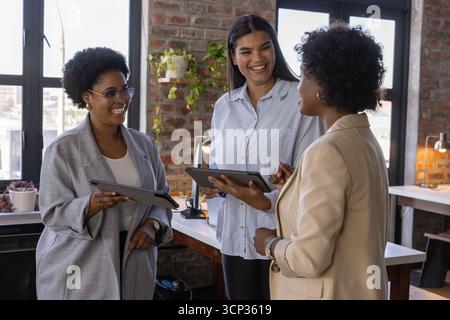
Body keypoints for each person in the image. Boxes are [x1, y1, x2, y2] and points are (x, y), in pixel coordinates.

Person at [254, 25, 390, 299]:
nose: (299, 86)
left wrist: (269, 243)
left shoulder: (326, 151)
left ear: (324, 87)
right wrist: (294, 187)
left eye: (304, 76)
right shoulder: (366, 141)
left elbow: (309, 259)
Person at [36, 47, 172, 299]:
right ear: (87, 97)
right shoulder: (62, 149)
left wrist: (153, 226)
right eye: (110, 93)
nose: (122, 99)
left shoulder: (144, 146)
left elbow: (162, 197)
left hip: (134, 259)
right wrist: (90, 205)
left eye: (125, 89)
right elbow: (52, 213)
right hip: (80, 264)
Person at [205, 14, 322, 300]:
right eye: (246, 51)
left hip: (281, 237)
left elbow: (311, 178)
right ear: (234, 57)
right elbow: (219, 166)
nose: (257, 58)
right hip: (234, 239)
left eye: (265, 47)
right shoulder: (224, 106)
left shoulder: (300, 101)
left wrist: (265, 201)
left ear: (275, 49)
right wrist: (216, 186)